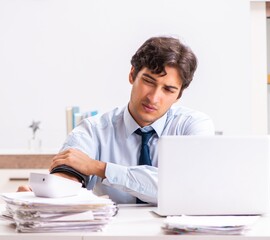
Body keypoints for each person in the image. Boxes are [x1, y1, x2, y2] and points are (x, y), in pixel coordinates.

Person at [18, 36, 215, 204]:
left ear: (179, 94)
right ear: (132, 75)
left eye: (168, 89)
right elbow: (68, 175)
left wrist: (99, 168)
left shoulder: (193, 126)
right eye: (148, 81)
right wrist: (44, 195)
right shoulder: (93, 130)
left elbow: (185, 187)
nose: (154, 98)